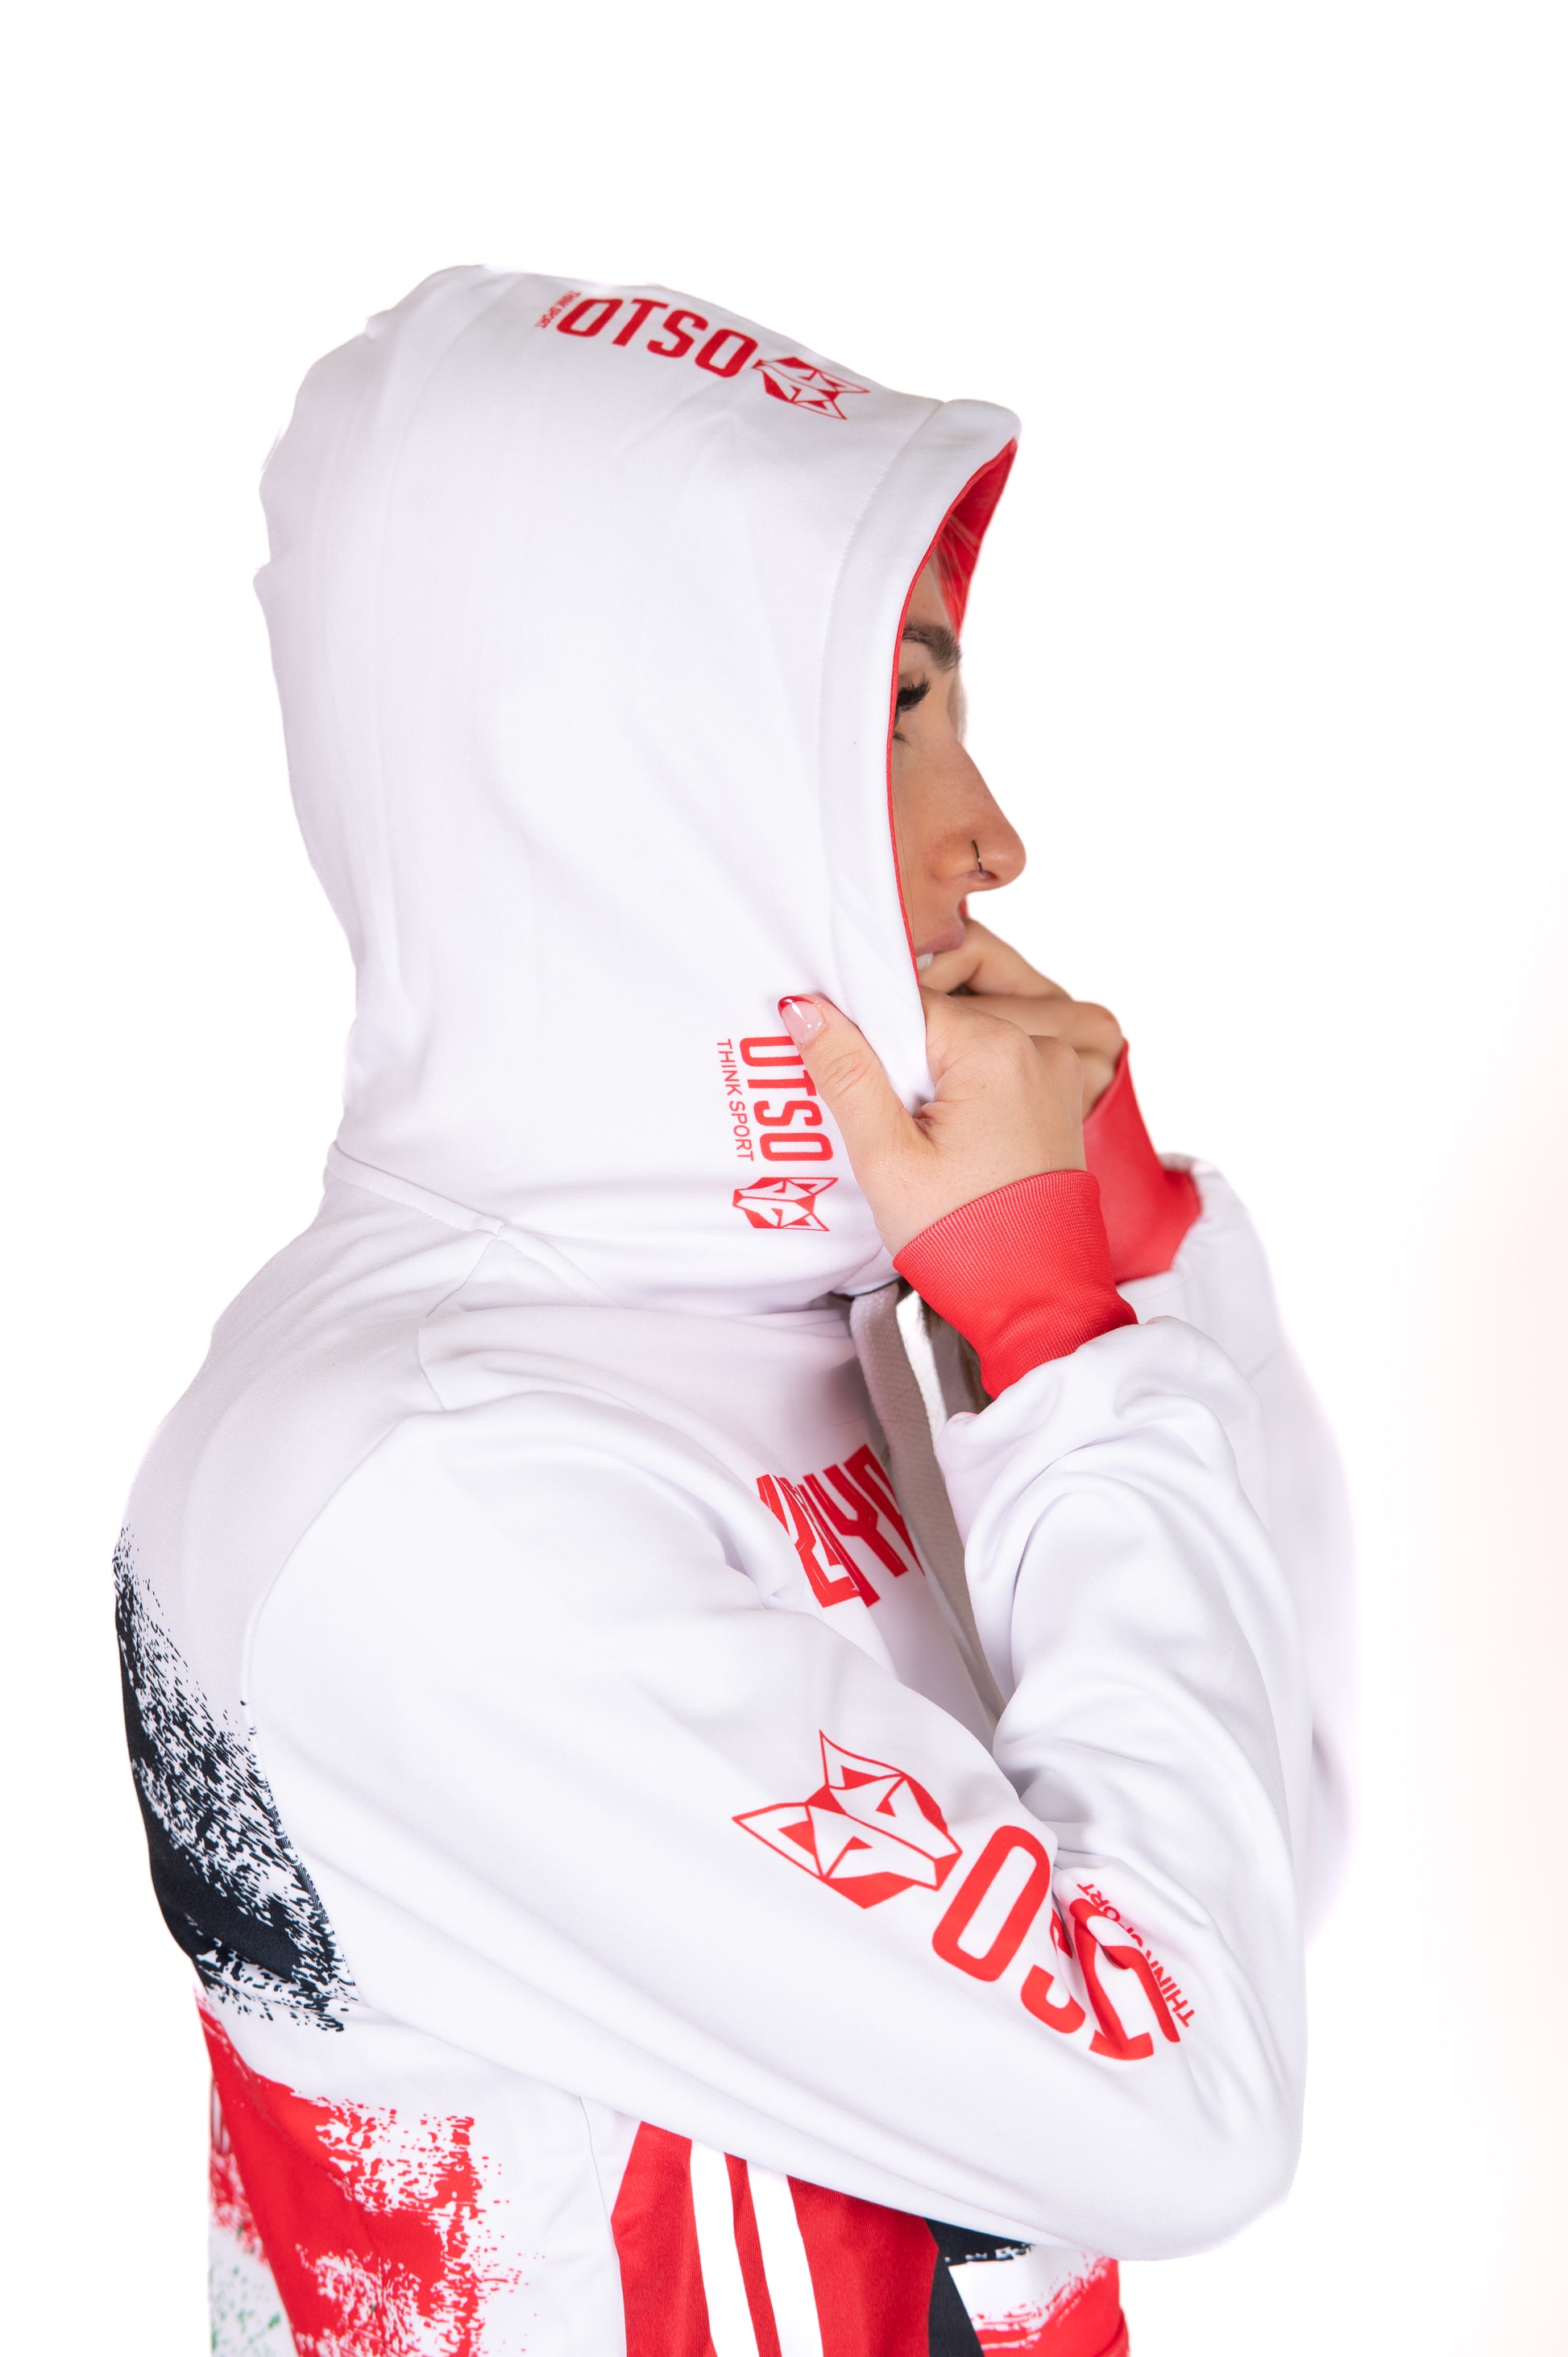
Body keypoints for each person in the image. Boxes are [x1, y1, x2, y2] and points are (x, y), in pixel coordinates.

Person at [115, 268, 1351, 2357]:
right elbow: (1180, 2111)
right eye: (894, 715)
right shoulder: (423, 1494)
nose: (992, 839)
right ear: (620, 777)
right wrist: (1063, 1357)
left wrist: (1132, 1277)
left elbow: (1244, 1879)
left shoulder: (820, 1308)